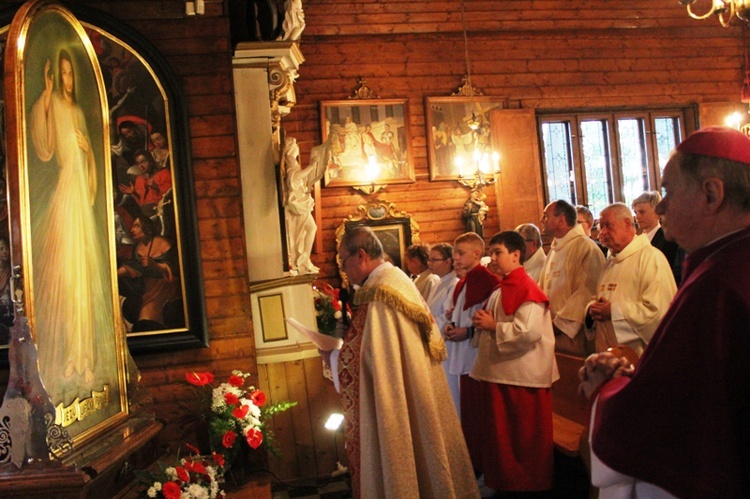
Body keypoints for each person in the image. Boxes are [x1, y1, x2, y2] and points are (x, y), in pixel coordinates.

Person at [579, 127, 750, 498]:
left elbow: (669, 414)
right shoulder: (723, 264)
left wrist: (605, 390)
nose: (660, 208)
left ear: (711, 194)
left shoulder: (720, 283)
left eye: (669, 191)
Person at [329, 227, 479, 498]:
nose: (343, 269)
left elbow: (376, 359)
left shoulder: (381, 292)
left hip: (399, 396)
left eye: (343, 261)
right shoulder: (391, 280)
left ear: (361, 255)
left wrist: (332, 354)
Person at [29, 49, 116, 401]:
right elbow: (45, 149)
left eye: (68, 74)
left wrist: (89, 149)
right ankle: (68, 356)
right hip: (66, 193)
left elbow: (93, 178)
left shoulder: (79, 111)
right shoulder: (52, 106)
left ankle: (85, 357)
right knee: (66, 277)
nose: (66, 79)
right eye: (61, 73)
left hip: (81, 197)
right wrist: (46, 98)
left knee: (84, 277)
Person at [470, 231, 558, 495]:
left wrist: (492, 325)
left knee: (521, 439)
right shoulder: (505, 285)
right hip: (504, 373)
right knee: (502, 438)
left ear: (516, 255)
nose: (492, 258)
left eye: (498, 252)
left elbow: (528, 332)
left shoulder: (526, 288)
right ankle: (502, 481)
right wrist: (484, 322)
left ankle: (523, 485)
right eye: (491, 252)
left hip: (520, 377)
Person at [586, 203, 676, 355]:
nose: (603, 232)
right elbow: (599, 299)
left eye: (608, 225)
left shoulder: (651, 258)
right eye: (601, 227)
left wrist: (613, 312)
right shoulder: (610, 263)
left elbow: (658, 312)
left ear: (627, 223)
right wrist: (591, 310)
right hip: (609, 356)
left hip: (640, 357)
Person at [539, 200, 605, 356]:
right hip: (549, 333)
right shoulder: (554, 250)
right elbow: (541, 288)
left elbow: (587, 291)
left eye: (546, 216)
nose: (542, 220)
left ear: (561, 221)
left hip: (571, 336)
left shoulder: (585, 247)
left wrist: (559, 326)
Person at [118, 215, 181, 332]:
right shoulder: (138, 247)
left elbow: (174, 268)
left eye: (136, 226)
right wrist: (115, 274)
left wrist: (154, 265)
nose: (132, 230)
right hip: (145, 287)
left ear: (146, 228)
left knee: (147, 319)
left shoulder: (163, 243)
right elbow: (134, 266)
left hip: (162, 287)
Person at [425, 242, 460, 414]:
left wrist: (428, 325)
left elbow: (450, 317)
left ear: (448, 261)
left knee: (451, 392)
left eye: (434, 260)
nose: (429, 264)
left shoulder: (453, 284)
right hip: (436, 340)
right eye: (429, 260)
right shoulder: (439, 283)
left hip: (448, 344)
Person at [284, 137, 325, 274]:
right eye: (295, 145)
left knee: (311, 228)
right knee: (308, 229)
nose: (297, 148)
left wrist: (306, 186)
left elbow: (298, 180)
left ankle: (305, 259)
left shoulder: (292, 161)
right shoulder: (289, 160)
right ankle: (302, 260)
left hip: (301, 202)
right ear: (291, 148)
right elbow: (294, 177)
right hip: (297, 205)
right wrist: (311, 166)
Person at [631, 191, 682, 283]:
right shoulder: (637, 240)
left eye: (642, 212)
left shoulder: (668, 240)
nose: (637, 217)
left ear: (657, 213)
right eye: (635, 212)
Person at [119, 149, 172, 220]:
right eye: (138, 164)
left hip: (157, 208)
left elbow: (169, 193)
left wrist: (155, 186)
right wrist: (133, 192)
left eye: (143, 162)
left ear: (150, 161)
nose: (141, 166)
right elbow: (141, 202)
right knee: (126, 198)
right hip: (144, 210)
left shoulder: (164, 173)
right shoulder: (140, 179)